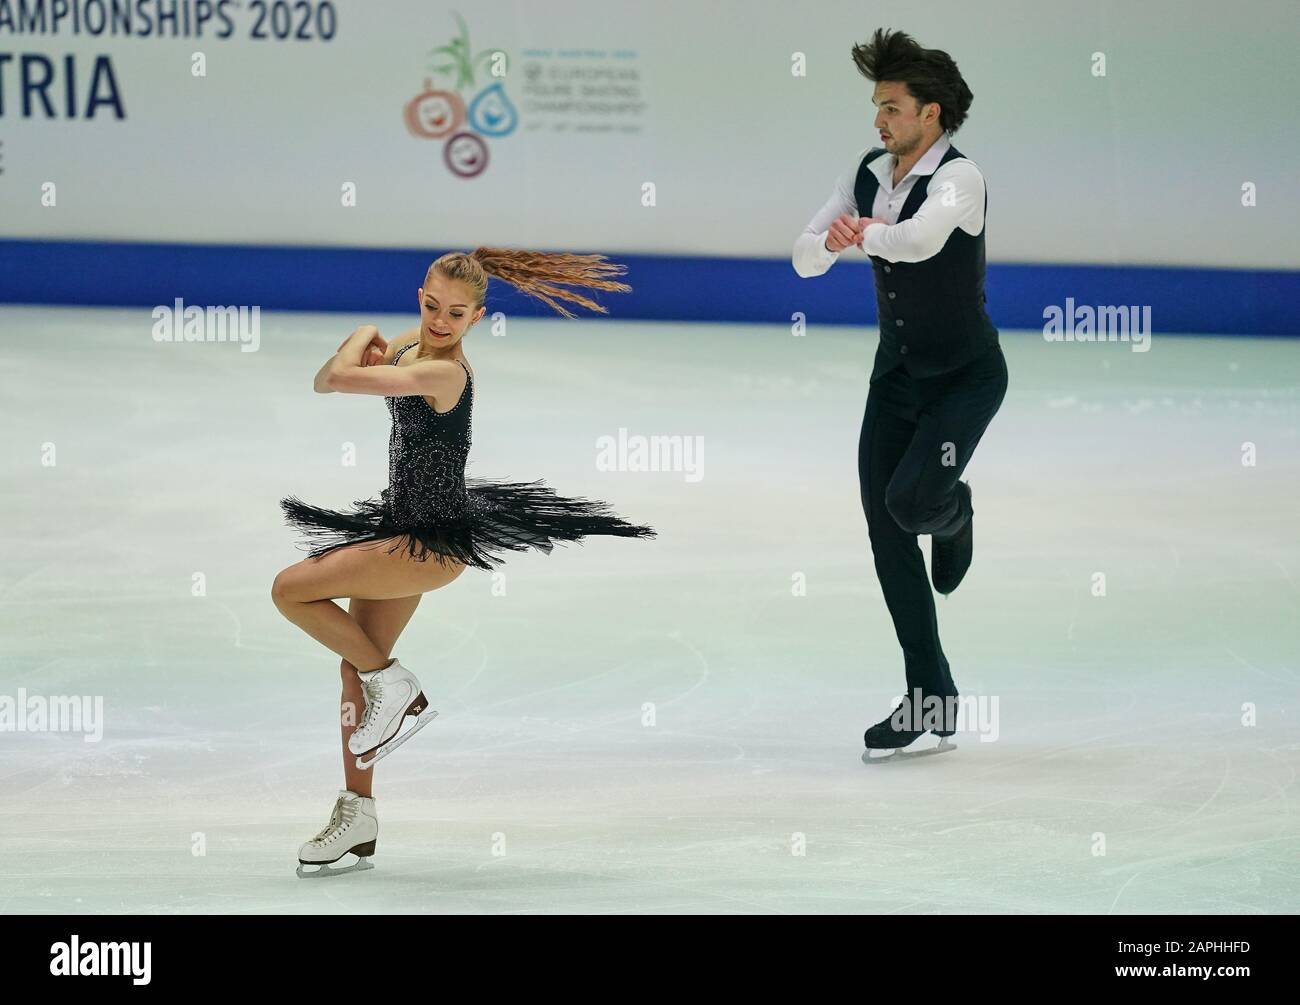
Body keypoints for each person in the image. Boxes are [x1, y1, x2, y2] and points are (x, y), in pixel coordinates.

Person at [273, 248, 656, 874]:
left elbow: (332, 379)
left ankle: (399, 687)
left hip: (426, 547)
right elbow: (345, 376)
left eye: (456, 313)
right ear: (420, 293)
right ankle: (358, 815)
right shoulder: (408, 349)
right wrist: (375, 346)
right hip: (400, 528)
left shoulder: (444, 372)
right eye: (431, 305)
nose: (440, 321)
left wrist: (361, 337)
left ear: (478, 316)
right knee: (353, 669)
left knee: (290, 590)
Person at [792, 29, 1008, 762]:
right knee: (886, 532)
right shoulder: (865, 172)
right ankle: (930, 695)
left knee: (913, 505)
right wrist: (828, 243)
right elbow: (803, 254)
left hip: (964, 380)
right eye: (876, 106)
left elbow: (916, 241)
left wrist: (865, 233)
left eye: (892, 107)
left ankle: (956, 515)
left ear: (932, 113)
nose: (879, 121)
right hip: (896, 380)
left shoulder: (960, 178)